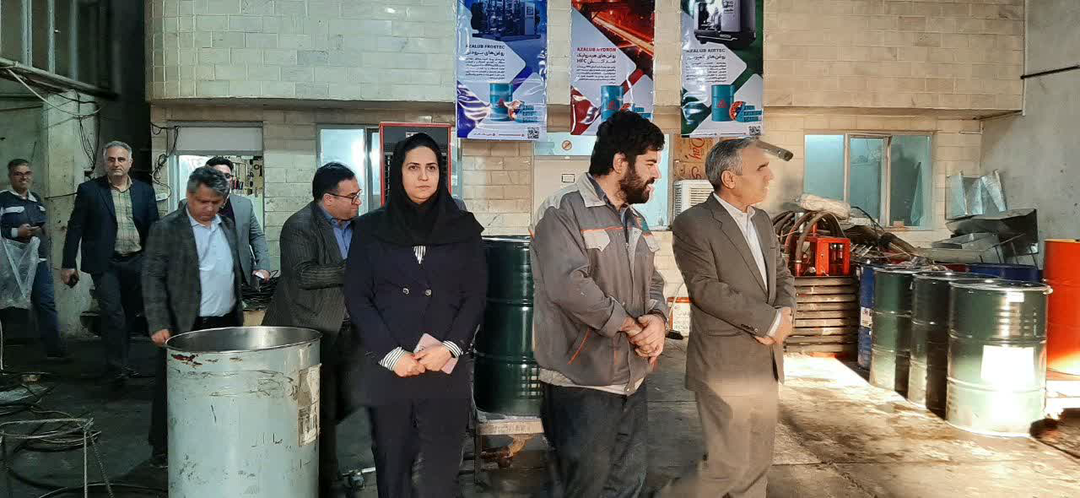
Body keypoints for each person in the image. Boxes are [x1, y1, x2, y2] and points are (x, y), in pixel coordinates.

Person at [530, 110, 668, 497]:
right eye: (650, 163)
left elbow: (654, 280)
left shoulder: (635, 220)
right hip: (581, 382)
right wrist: (632, 327)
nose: (657, 173)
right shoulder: (562, 210)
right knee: (583, 487)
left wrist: (657, 319)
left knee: (627, 484)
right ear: (620, 162)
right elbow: (568, 285)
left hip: (631, 380)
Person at [344, 133, 486, 498]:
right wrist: (392, 355)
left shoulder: (463, 228)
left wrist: (451, 347)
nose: (424, 176)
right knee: (393, 473)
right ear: (398, 173)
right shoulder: (371, 229)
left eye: (431, 168)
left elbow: (475, 296)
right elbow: (358, 297)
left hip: (444, 369)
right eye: (413, 168)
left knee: (440, 476)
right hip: (390, 370)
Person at [661, 138, 796, 498]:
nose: (769, 177)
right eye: (761, 168)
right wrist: (770, 322)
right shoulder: (694, 223)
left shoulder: (762, 220)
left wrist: (786, 312)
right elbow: (705, 288)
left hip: (766, 361)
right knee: (726, 466)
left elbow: (781, 275)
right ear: (730, 179)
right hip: (724, 366)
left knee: (757, 466)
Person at [261, 162, 361, 497]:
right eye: (352, 196)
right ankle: (321, 480)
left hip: (346, 330)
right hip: (308, 331)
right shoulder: (299, 227)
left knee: (347, 398)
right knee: (317, 408)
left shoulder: (356, 226)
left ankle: (315, 466)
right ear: (328, 199)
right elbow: (304, 274)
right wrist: (353, 268)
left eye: (358, 194)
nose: (358, 201)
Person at [141, 167, 244, 467]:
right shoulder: (167, 228)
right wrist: (158, 322)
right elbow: (152, 277)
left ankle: (212, 439)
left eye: (216, 202)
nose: (209, 208)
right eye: (202, 201)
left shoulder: (226, 226)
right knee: (172, 389)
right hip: (184, 323)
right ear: (189, 195)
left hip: (224, 322)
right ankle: (163, 447)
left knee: (219, 385)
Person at [61, 141, 159, 382]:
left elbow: (154, 228)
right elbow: (75, 227)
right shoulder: (90, 190)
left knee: (128, 315)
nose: (116, 164)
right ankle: (116, 368)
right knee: (113, 313)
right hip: (105, 264)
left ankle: (121, 362)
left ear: (130, 163)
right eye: (111, 159)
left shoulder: (144, 191)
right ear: (104, 162)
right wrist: (68, 263)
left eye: (121, 159)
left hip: (136, 262)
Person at [0, 159, 66, 360]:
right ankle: (3, 353)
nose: (24, 177)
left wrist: (42, 230)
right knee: (5, 305)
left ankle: (55, 351)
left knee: (45, 302)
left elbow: (42, 224)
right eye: (18, 173)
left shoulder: (36, 199)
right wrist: (16, 231)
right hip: (10, 263)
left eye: (27, 173)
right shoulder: (3, 199)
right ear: (10, 177)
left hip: (37, 261)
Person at [179, 157, 270, 286]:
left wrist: (263, 266)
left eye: (227, 176)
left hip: (239, 278)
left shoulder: (244, 205)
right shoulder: (188, 205)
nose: (223, 180)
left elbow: (256, 236)